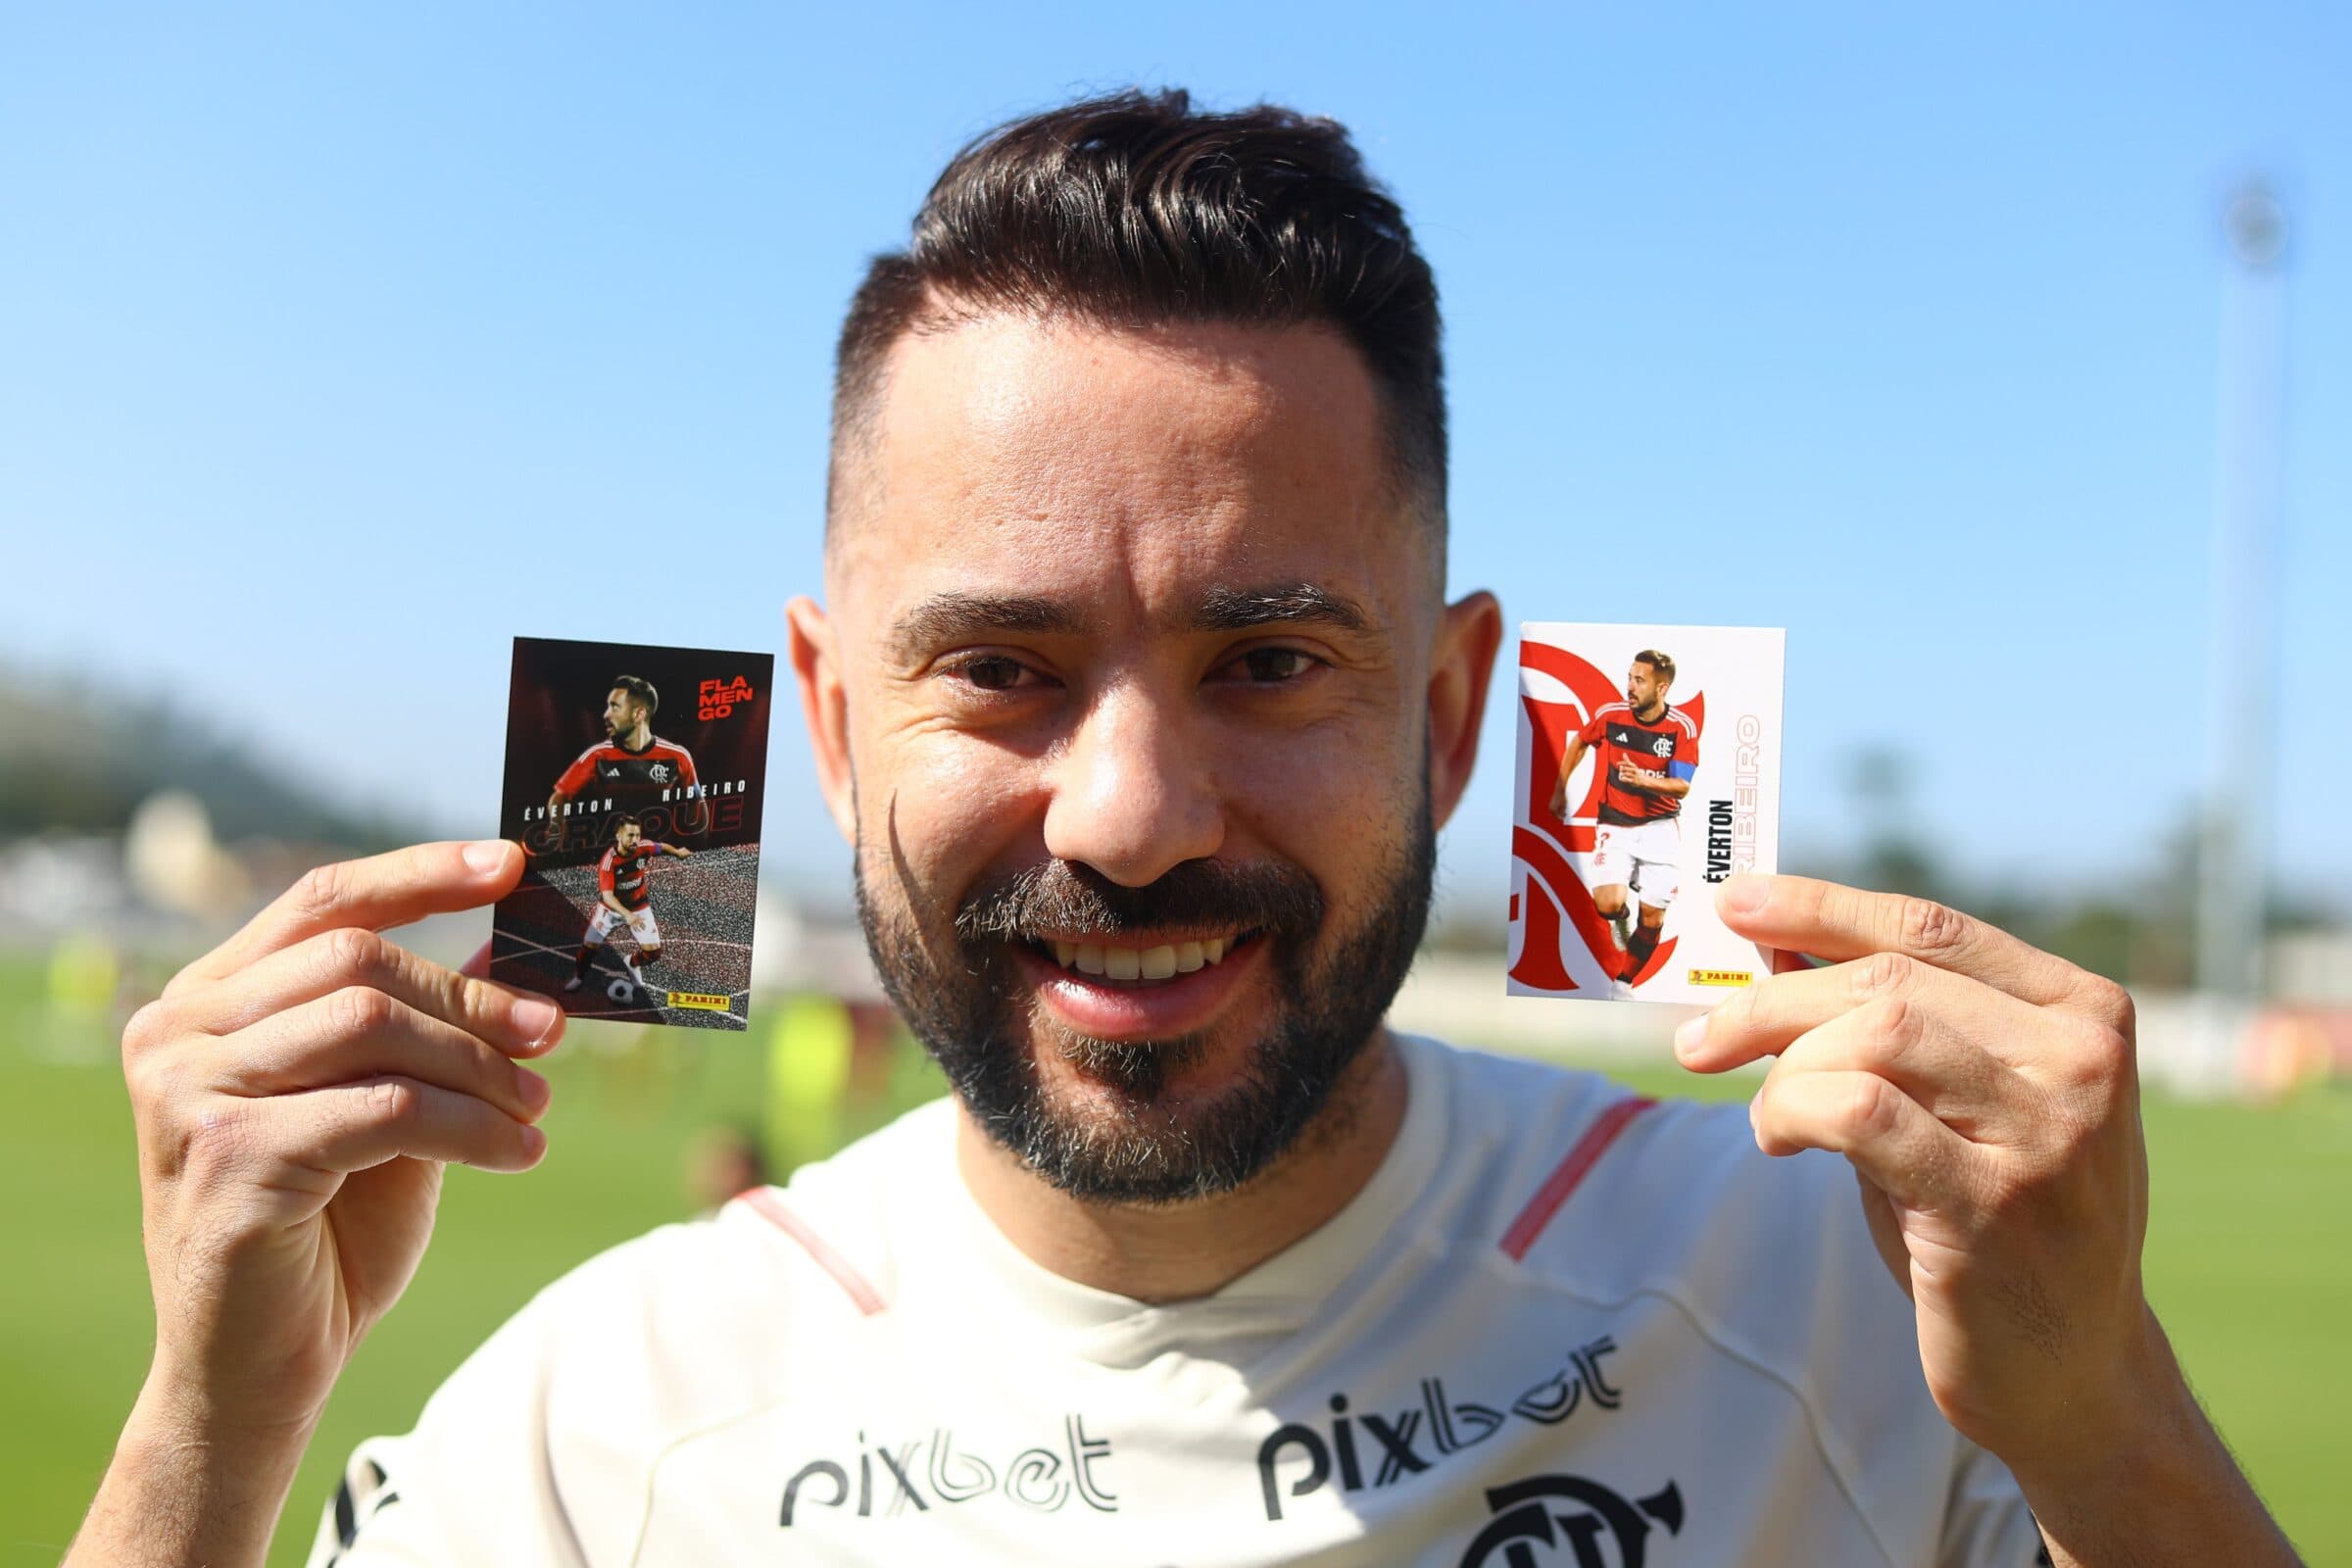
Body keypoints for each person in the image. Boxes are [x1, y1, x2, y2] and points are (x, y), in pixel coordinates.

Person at [69, 90, 2301, 1568]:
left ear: (1443, 713)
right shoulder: (594, 1428)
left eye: (1266, 660)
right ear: (833, 721)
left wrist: (2101, 1421)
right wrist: (204, 1434)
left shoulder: (1825, 1314)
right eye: (1003, 667)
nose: (1128, 820)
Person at [1547, 651, 1697, 996]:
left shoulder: (1680, 728)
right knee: (1607, 904)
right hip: (1614, 825)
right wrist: (1560, 790)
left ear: (1662, 688)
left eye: (1639, 680)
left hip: (1660, 829)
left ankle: (1624, 982)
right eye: (1629, 677)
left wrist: (1642, 781)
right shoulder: (1611, 716)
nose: (1629, 686)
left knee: (1652, 922)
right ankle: (1620, 916)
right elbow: (1581, 742)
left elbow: (1682, 786)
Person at [545, 673, 705, 845]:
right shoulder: (597, 755)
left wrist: (699, 843)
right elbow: (560, 796)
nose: (606, 714)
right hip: (607, 853)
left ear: (639, 715)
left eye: (614, 707)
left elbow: (696, 800)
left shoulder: (678, 756)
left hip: (657, 854)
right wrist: (556, 826)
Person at [564, 812, 691, 1001]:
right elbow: (608, 896)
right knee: (589, 948)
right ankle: (579, 977)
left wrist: (678, 852)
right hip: (611, 910)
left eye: (638, 835)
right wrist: (627, 915)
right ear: (619, 836)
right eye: (630, 835)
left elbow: (661, 847)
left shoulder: (643, 847)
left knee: (654, 952)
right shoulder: (609, 862)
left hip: (639, 907)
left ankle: (631, 963)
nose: (635, 840)